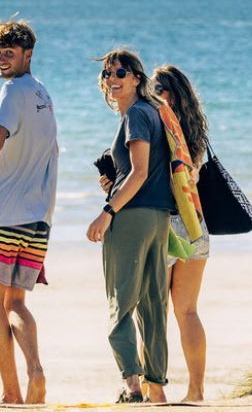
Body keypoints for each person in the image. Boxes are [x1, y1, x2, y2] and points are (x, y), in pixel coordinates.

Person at [0, 20, 59, 404]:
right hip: (38, 219)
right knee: (16, 302)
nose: (1, 59)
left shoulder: (12, 90)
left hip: (3, 218)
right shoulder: (43, 94)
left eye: (9, 52)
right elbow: (40, 155)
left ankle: (11, 392)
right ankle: (35, 368)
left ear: (28, 55)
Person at [86, 49, 174, 404]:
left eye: (121, 72)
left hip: (133, 216)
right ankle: (157, 387)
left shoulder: (136, 115)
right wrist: (115, 183)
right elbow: (143, 172)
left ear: (137, 77)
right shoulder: (153, 112)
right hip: (158, 216)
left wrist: (108, 210)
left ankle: (132, 385)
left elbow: (138, 172)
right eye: (108, 73)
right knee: (153, 303)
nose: (113, 78)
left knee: (120, 301)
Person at [152, 64, 212, 402]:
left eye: (157, 88)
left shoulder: (156, 127)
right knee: (187, 311)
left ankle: (156, 393)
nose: (152, 93)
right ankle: (196, 390)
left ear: (171, 94)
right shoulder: (194, 133)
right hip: (194, 224)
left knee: (155, 311)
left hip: (164, 225)